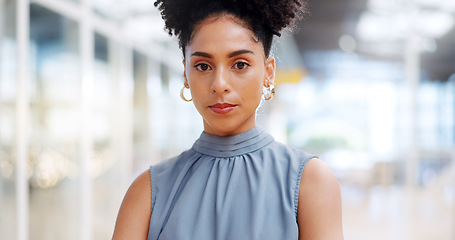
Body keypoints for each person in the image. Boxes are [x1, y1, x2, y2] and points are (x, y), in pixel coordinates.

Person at [112, 0, 343, 239]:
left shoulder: (310, 181)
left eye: (240, 64)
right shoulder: (148, 191)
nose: (219, 85)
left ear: (268, 73)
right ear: (186, 75)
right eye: (203, 66)